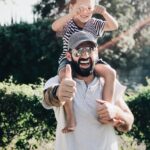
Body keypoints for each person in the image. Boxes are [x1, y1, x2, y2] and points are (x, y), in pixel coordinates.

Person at [42, 31, 134, 150]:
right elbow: (48, 98)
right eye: (79, 51)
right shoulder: (59, 81)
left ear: (96, 52)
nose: (85, 55)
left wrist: (115, 112)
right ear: (69, 56)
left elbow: (129, 122)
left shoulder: (107, 83)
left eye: (89, 50)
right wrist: (58, 93)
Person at [52, 0, 119, 132]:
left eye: (89, 8)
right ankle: (71, 117)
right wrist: (71, 14)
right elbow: (55, 27)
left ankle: (105, 111)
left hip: (91, 61)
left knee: (110, 73)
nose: (85, 11)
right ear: (72, 7)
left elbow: (114, 26)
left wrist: (104, 13)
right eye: (80, 8)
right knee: (65, 77)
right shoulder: (68, 23)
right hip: (70, 60)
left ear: (94, 9)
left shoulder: (94, 23)